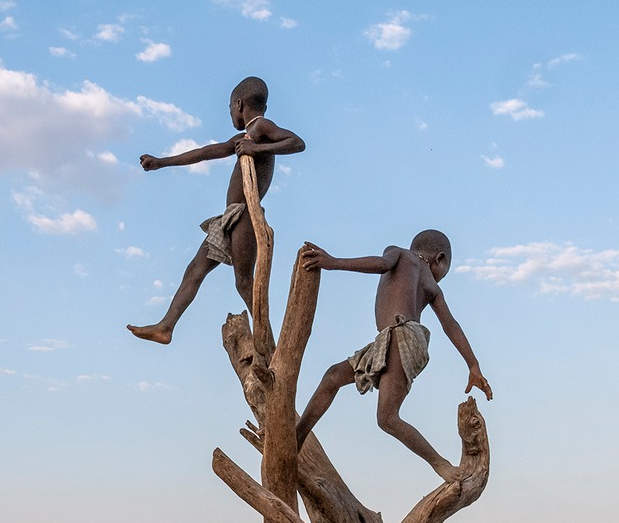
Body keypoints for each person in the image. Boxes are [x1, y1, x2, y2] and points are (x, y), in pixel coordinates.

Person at [293, 231, 493, 478]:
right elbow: (450, 325)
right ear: (439, 259)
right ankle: (296, 437)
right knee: (333, 376)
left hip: (402, 335)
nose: (439, 278)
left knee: (387, 417)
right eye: (444, 271)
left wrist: (334, 263)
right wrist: (473, 365)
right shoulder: (416, 268)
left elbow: (382, 263)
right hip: (397, 339)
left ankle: (440, 464)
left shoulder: (400, 255)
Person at [127, 76, 306, 345]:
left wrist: (257, 147)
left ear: (239, 104)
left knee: (245, 283)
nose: (230, 113)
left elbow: (297, 143)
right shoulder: (245, 136)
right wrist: (161, 162)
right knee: (196, 267)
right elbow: (205, 153)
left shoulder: (261, 128)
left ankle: (267, 342)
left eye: (230, 108)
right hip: (229, 217)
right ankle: (166, 327)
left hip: (245, 214)